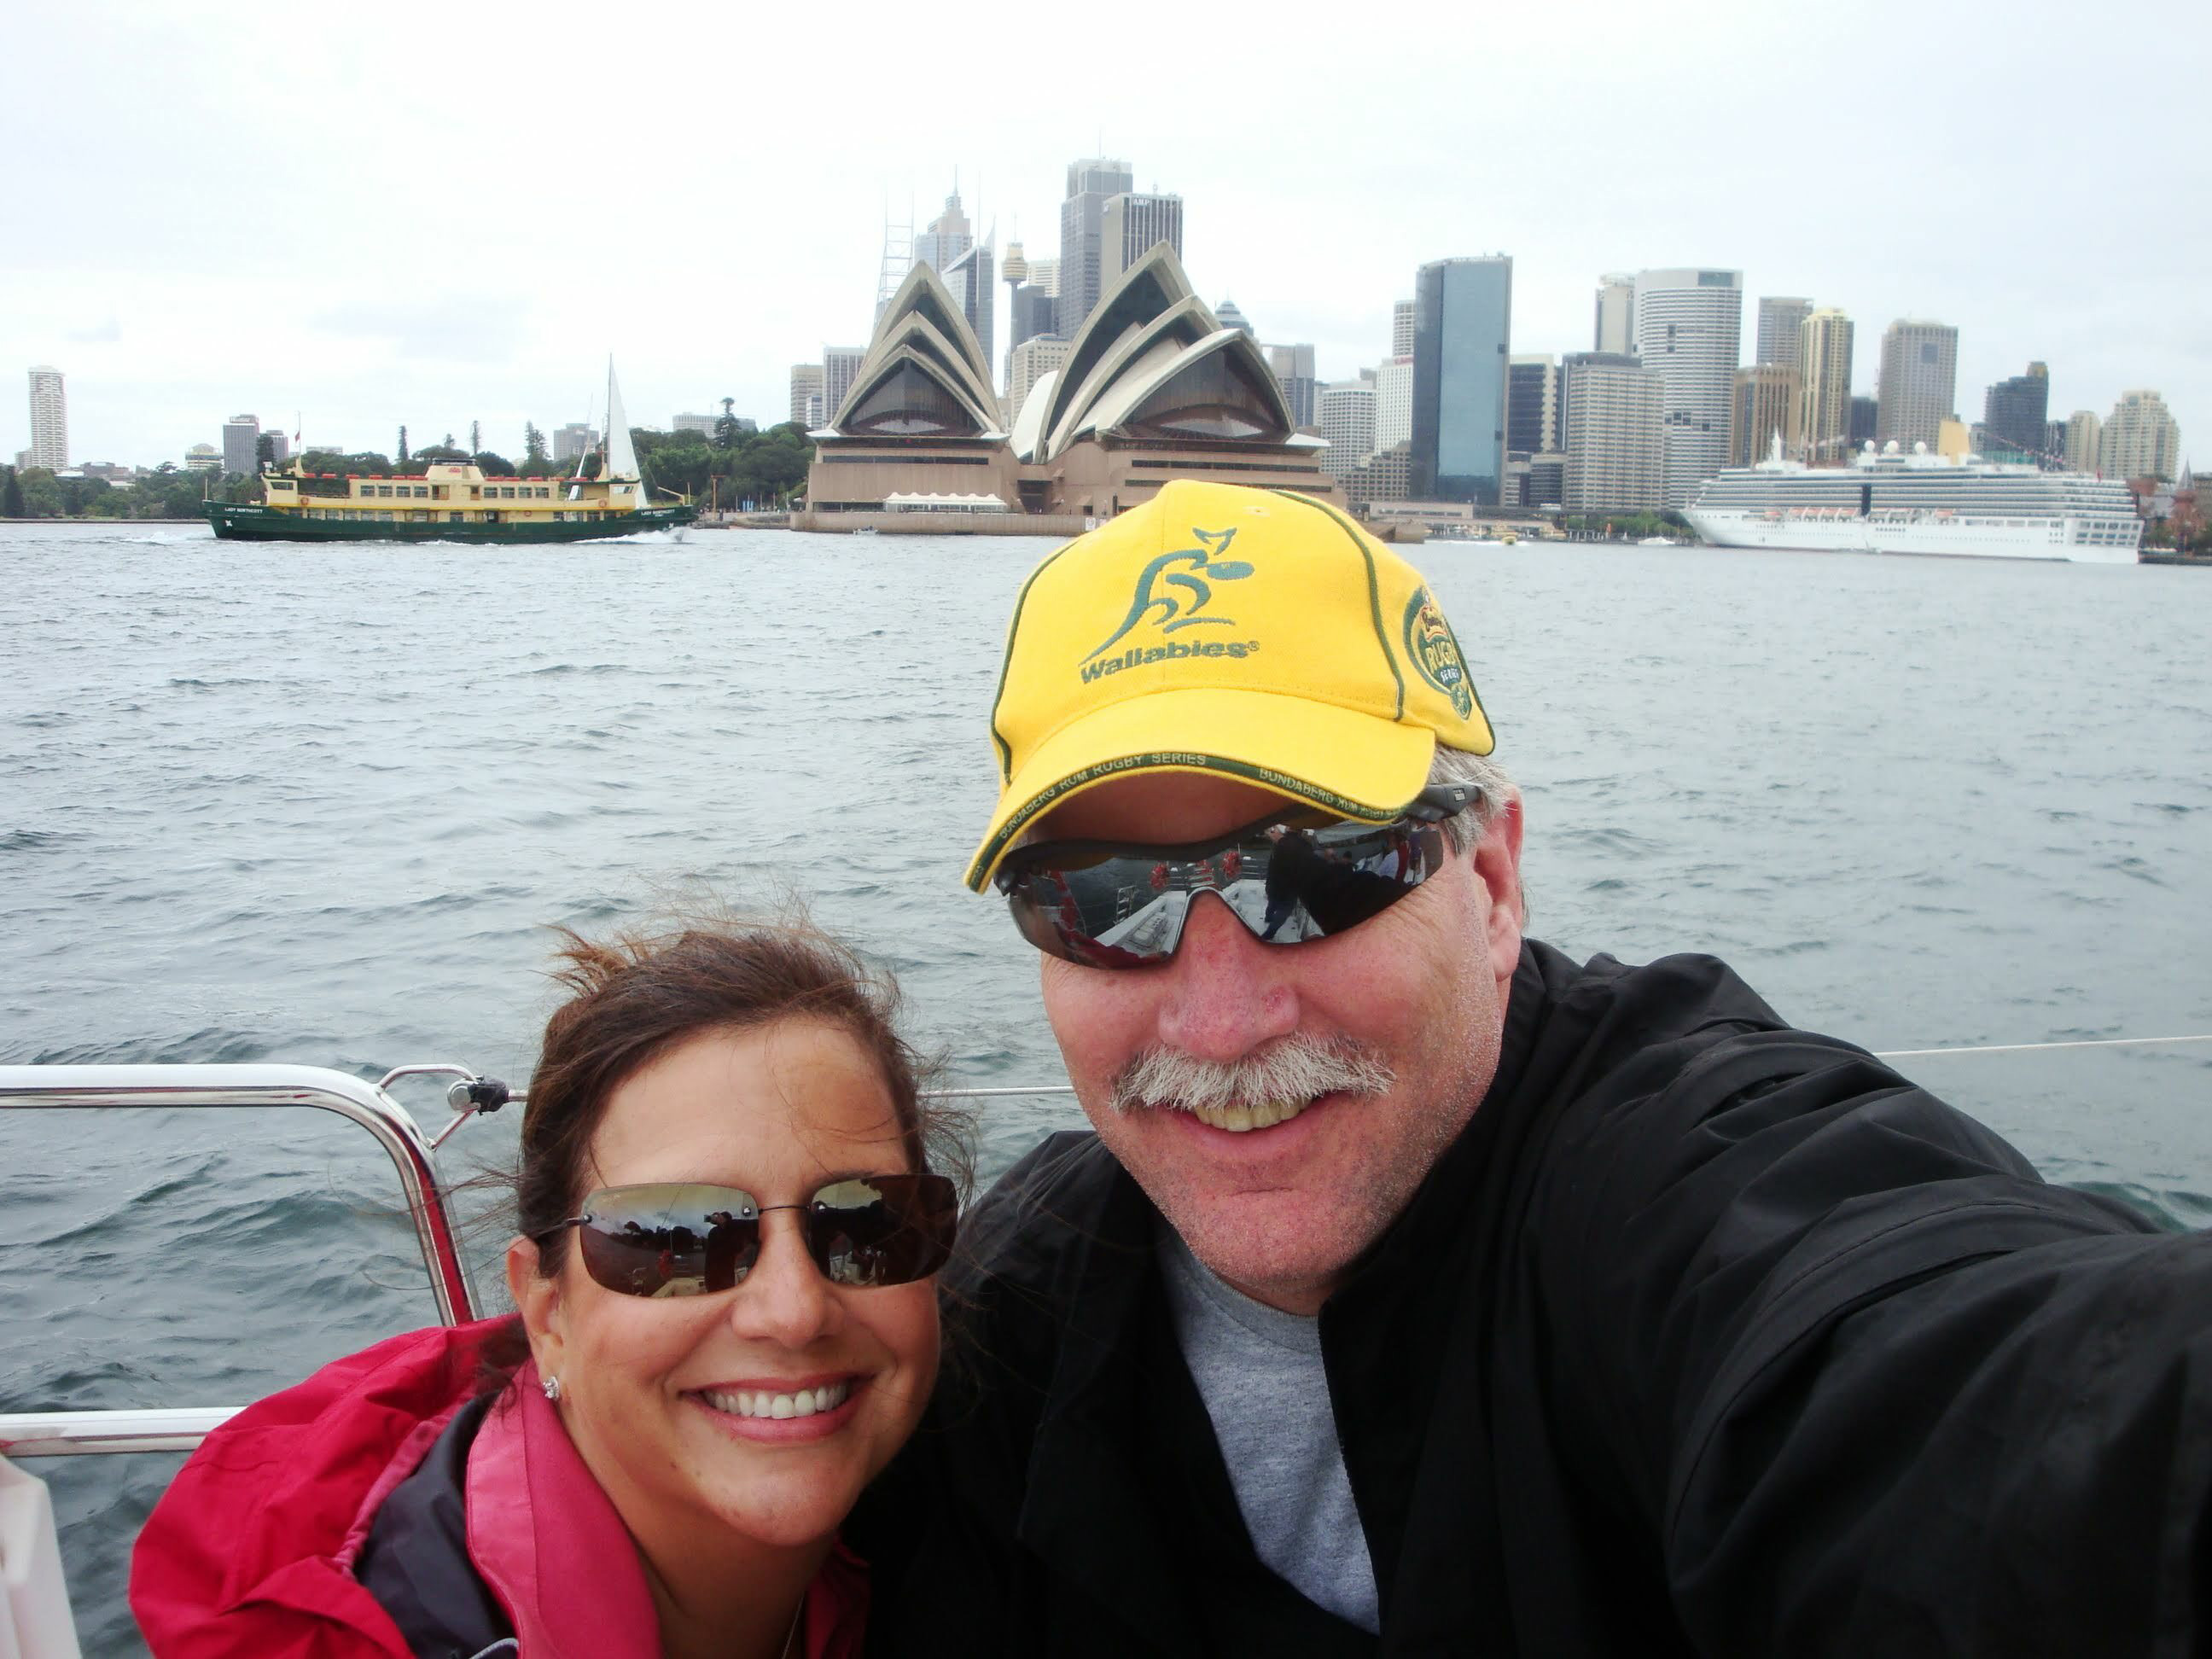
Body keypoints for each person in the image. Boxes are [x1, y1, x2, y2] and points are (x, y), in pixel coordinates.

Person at [862, 478, 2212, 1656]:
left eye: (1320, 875)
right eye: (1100, 904)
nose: (1219, 1023)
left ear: (1495, 887)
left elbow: (1974, 1402)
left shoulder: (1665, 1184)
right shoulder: (1009, 1321)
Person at [132, 917, 962, 1659]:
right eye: (675, 1238)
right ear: (546, 1310)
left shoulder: (967, 1512)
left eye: (868, 1222)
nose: (794, 1311)